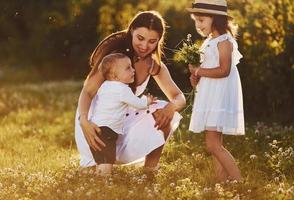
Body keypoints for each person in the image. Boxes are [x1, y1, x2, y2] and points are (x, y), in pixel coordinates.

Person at [75, 11, 186, 170]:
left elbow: (179, 96)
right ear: (131, 31)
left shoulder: (153, 64)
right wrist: (84, 121)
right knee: (98, 173)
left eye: (152, 41)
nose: (144, 46)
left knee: (162, 110)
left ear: (158, 41)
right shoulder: (115, 59)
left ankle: (149, 172)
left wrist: (171, 107)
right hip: (96, 120)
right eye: (140, 38)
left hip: (121, 119)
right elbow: (87, 92)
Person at [186, 0, 245, 181]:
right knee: (215, 144)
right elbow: (209, 71)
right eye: (196, 20)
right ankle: (222, 183)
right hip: (211, 94)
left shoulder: (224, 40)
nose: (198, 25)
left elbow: (224, 70)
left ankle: (239, 181)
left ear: (216, 18)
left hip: (219, 97)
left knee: (212, 145)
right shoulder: (209, 41)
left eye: (201, 20)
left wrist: (198, 70)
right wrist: (197, 78)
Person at [87, 53, 156, 175]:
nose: (133, 70)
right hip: (107, 130)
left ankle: (98, 179)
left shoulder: (104, 86)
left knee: (101, 160)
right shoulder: (123, 89)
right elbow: (138, 104)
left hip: (95, 127)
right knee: (107, 161)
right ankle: (103, 184)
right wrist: (147, 101)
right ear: (115, 76)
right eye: (128, 68)